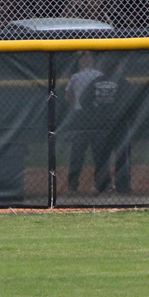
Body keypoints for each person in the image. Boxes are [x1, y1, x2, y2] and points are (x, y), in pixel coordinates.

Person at [80, 53, 132, 194]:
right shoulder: (122, 82)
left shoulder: (95, 82)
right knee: (122, 156)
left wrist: (95, 114)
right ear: (116, 67)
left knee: (101, 157)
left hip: (99, 125)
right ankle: (123, 187)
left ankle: (103, 186)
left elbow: (84, 101)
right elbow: (130, 103)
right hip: (119, 126)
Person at [63, 51, 102, 193]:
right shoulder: (98, 75)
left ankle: (73, 186)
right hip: (96, 115)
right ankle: (100, 185)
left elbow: (68, 97)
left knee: (78, 152)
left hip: (80, 115)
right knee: (98, 152)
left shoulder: (76, 76)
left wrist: (76, 105)